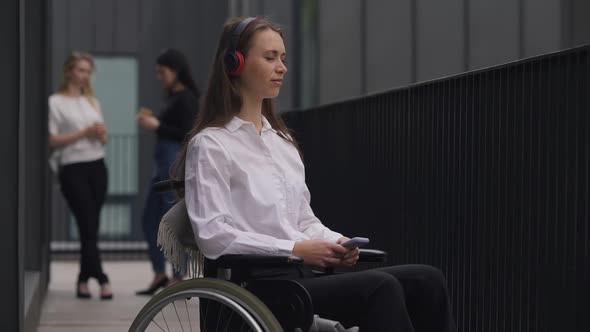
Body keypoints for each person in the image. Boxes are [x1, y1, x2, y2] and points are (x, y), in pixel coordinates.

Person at [176, 17, 458, 331]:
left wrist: (336, 243)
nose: (281, 67)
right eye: (269, 57)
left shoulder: (281, 142)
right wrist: (295, 250)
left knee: (427, 279)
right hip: (257, 286)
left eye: (283, 58)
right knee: (381, 288)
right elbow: (214, 236)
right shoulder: (212, 144)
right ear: (235, 62)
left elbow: (303, 221)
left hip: (301, 276)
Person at [135, 48, 200, 295]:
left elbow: (187, 132)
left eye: (163, 72)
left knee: (169, 219)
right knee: (150, 218)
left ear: (176, 71)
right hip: (162, 164)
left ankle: (178, 275)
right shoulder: (172, 97)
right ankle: (161, 273)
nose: (160, 76)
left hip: (171, 164)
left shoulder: (187, 98)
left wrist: (157, 125)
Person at [48, 51, 112, 300]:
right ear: (68, 72)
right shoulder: (56, 102)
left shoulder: (92, 102)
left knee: (91, 227)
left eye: (88, 71)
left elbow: (103, 139)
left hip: (97, 166)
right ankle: (101, 277)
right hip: (72, 168)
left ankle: (83, 279)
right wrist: (83, 132)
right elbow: (52, 140)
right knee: (87, 223)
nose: (85, 75)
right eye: (80, 70)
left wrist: (100, 133)